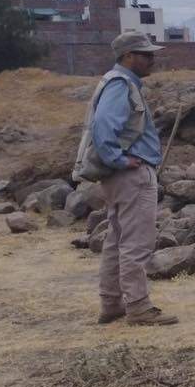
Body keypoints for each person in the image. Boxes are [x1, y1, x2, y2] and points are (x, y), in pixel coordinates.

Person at [72, 31, 179, 326]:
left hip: (120, 177)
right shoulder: (121, 85)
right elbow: (104, 126)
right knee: (136, 242)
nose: (152, 60)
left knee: (116, 240)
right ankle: (138, 307)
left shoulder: (116, 82)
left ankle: (112, 303)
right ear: (128, 56)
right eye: (146, 55)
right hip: (131, 175)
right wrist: (118, 159)